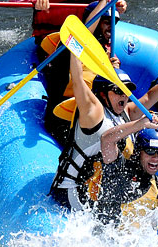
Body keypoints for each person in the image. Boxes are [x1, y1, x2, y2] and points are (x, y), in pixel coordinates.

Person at [49, 52, 158, 211]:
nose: (123, 95)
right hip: (72, 189)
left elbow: (150, 96)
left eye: (126, 91)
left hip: (98, 190)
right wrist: (74, 52)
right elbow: (78, 83)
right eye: (117, 91)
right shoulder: (94, 112)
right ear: (103, 93)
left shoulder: (125, 112)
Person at [39, 0, 127, 147]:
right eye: (106, 22)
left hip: (92, 116)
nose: (110, 28)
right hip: (65, 117)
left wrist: (113, 74)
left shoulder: (107, 54)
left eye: (112, 24)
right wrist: (105, 1)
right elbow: (84, 34)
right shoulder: (69, 46)